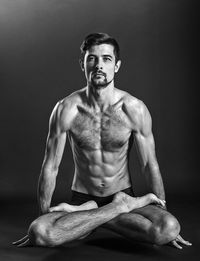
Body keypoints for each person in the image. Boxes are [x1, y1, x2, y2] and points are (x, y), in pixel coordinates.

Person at [13, 33, 191, 249]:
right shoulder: (66, 109)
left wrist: (161, 211)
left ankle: (95, 214)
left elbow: (148, 165)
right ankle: (115, 209)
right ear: (82, 64)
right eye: (92, 59)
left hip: (122, 193)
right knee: (40, 232)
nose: (99, 65)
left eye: (106, 59)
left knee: (169, 227)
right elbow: (51, 167)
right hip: (82, 198)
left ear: (116, 66)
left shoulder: (134, 109)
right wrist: (43, 217)